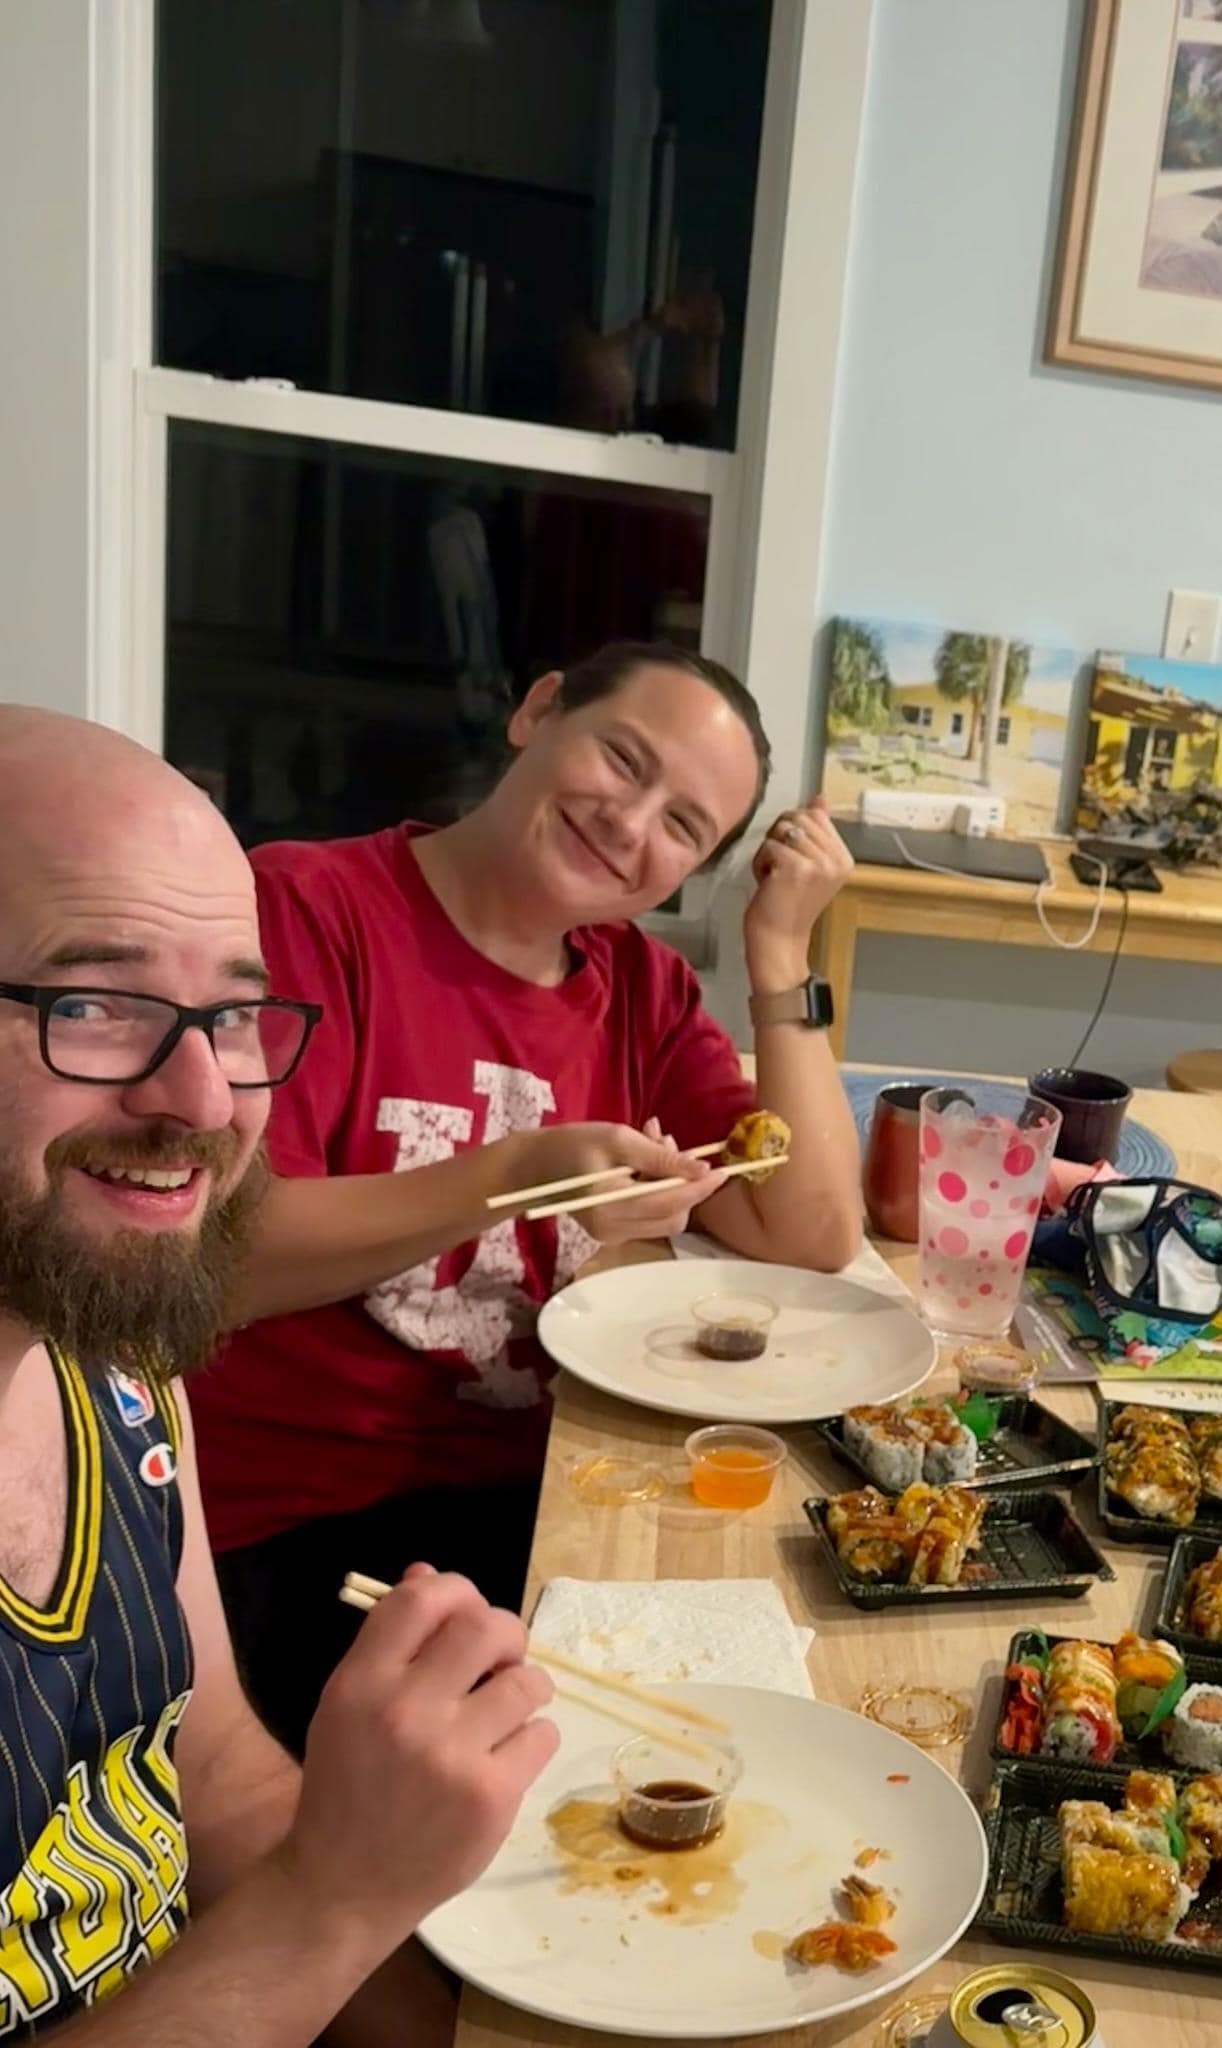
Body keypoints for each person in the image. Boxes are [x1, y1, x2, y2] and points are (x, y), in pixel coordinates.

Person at [0, 706, 580, 2042]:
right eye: (94, 1003)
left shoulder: (118, 1358)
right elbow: (301, 1873)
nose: (205, 1102)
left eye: (238, 1015)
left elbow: (219, 1784)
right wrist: (337, 1893)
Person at [192, 641, 862, 1754]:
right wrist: (513, 1176)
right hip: (297, 1526)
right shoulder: (306, 909)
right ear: (538, 709)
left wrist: (779, 947)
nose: (631, 820)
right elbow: (218, 1259)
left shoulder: (639, 988)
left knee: (775, 1715)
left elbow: (809, 1231)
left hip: (545, 1498)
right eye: (622, 757)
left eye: (684, 825)